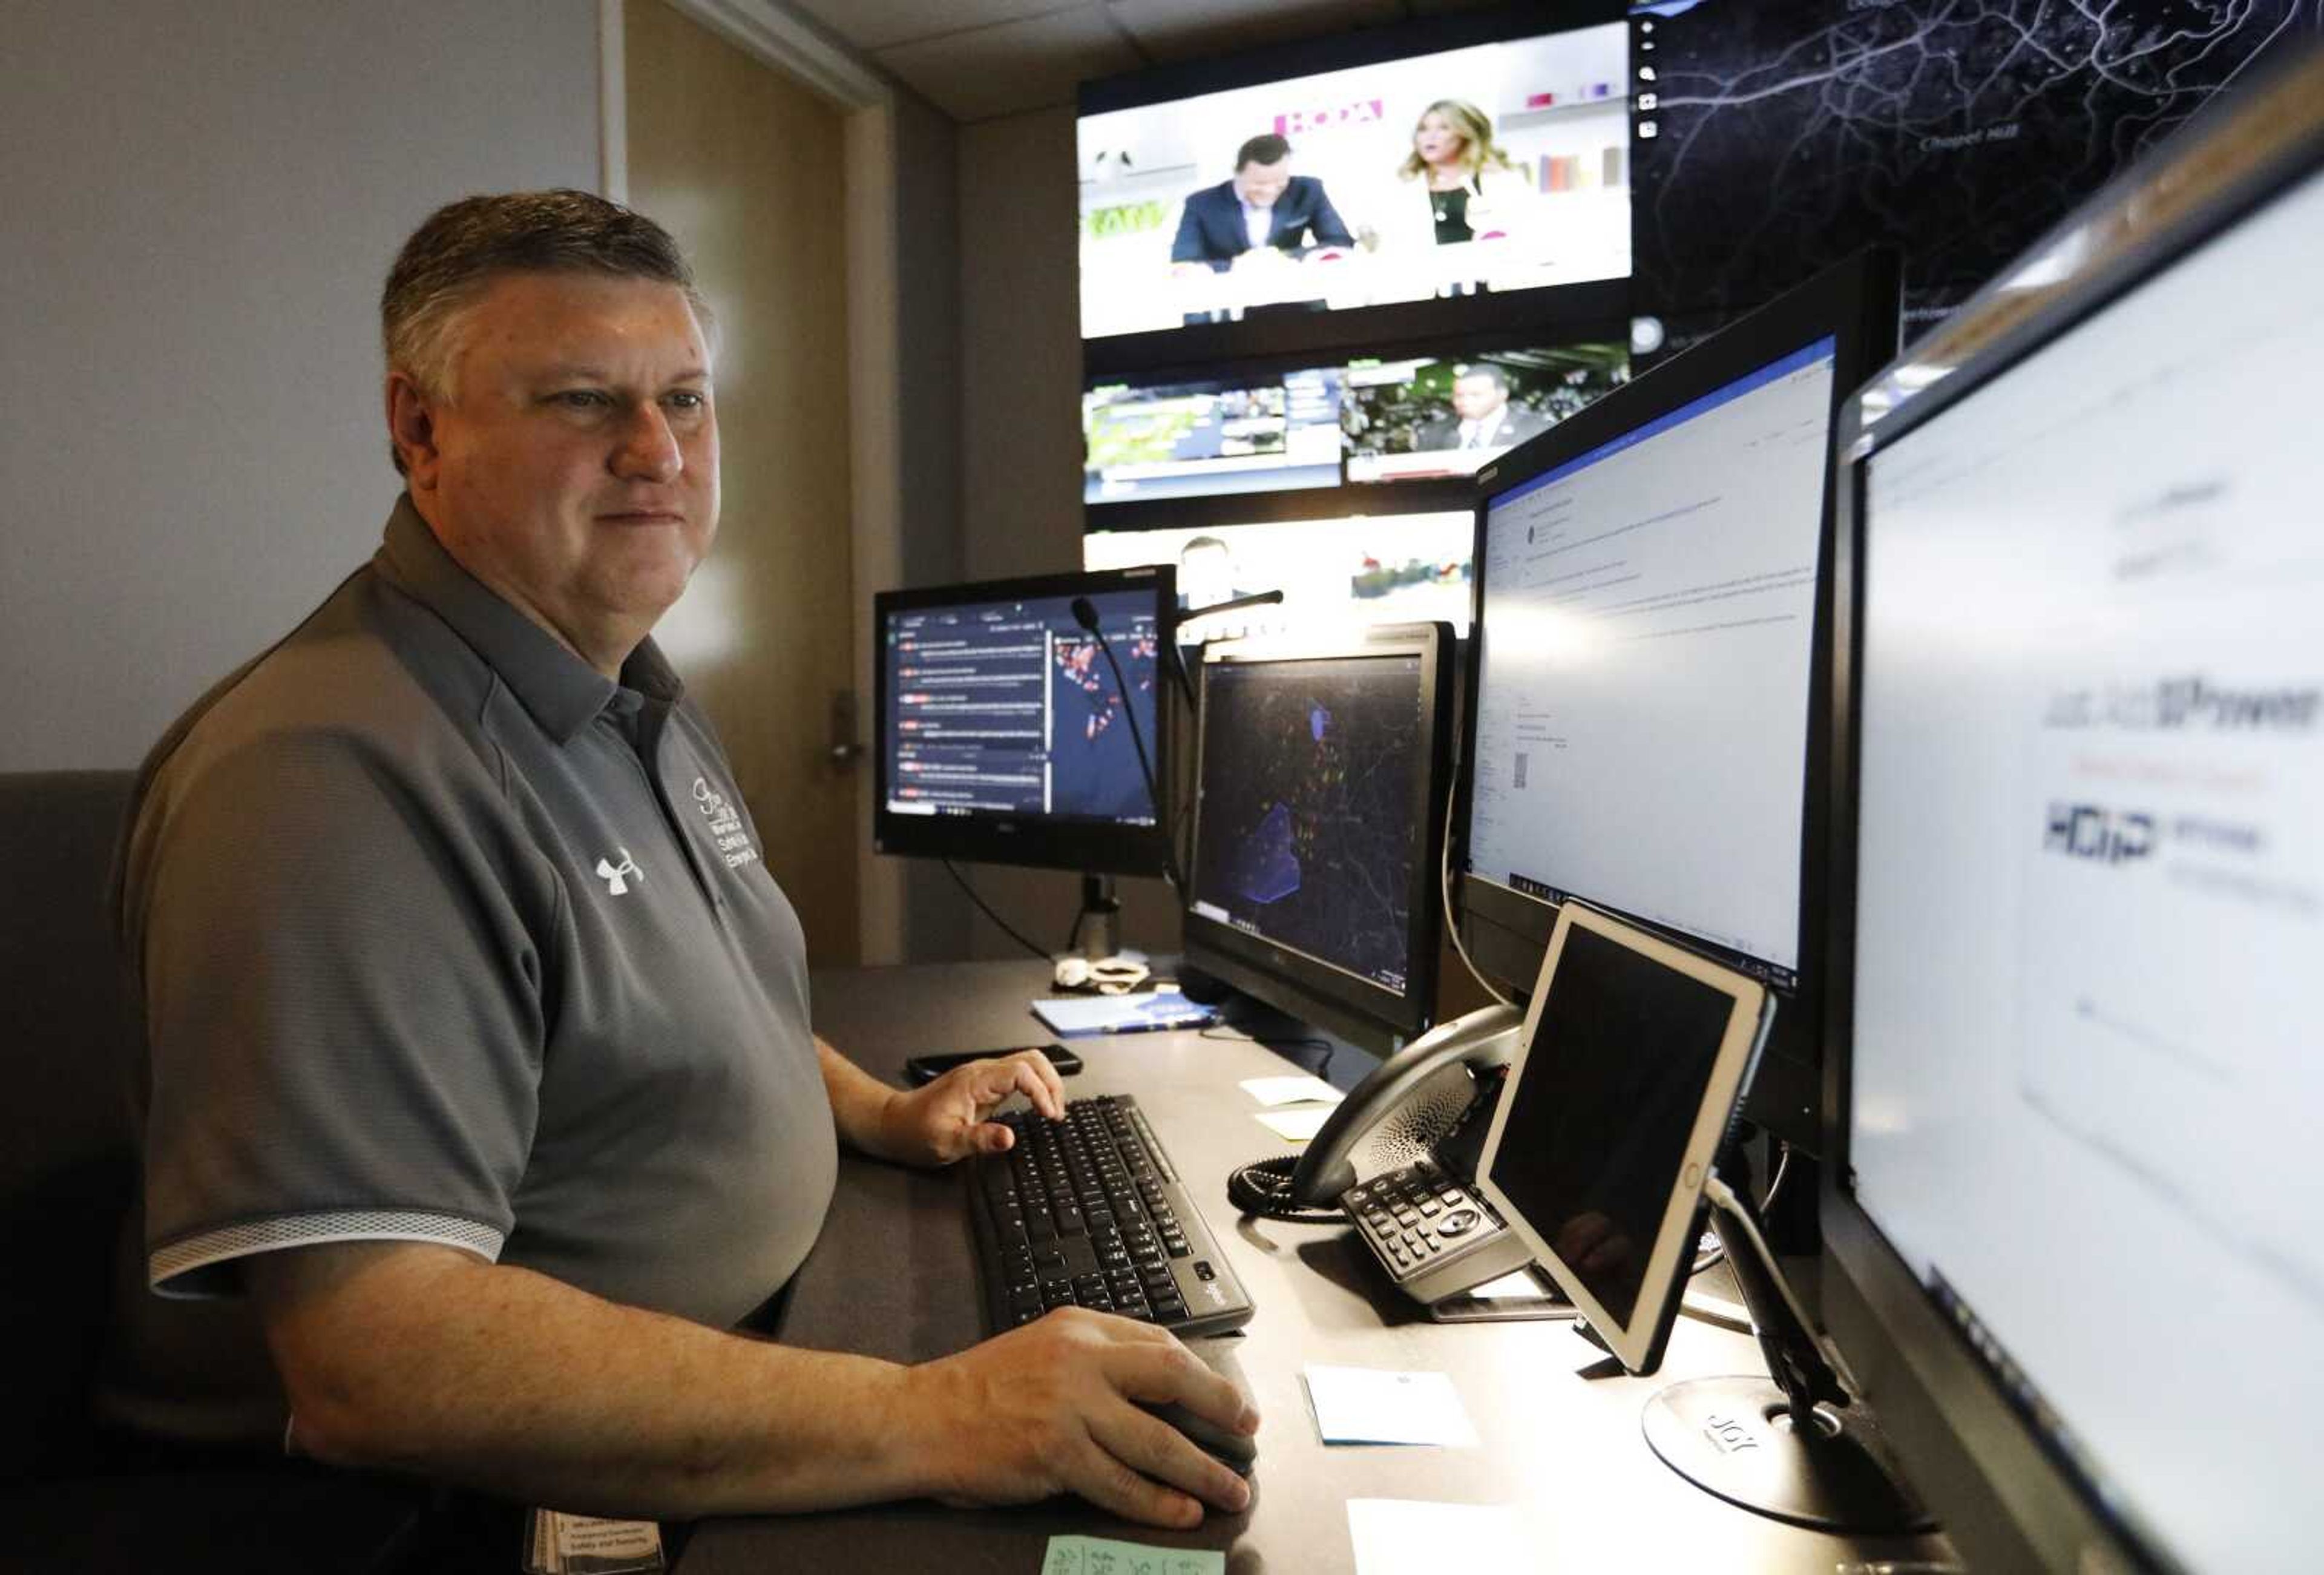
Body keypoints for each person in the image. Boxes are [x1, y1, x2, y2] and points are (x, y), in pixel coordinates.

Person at [113, 189, 1256, 1557]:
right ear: (419, 428)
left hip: (788, 1330)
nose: (656, 450)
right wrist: (943, 1413)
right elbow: (377, 1358)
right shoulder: (328, 777)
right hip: (480, 1505)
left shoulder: (626, 688)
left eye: (688, 400)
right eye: (585, 401)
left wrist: (882, 1111)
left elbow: (694, 997)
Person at [1169, 133, 1354, 272]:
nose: (1270, 190)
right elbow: (1184, 262)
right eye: (1259, 183)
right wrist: (1238, 266)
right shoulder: (1201, 204)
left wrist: (1284, 260)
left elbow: (1339, 241)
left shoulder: (1309, 190)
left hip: (1296, 295)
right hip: (1228, 302)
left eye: (1280, 181)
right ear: (1237, 173)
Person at [1394, 99, 1534, 247]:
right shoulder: (1403, 186)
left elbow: (1528, 235)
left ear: (1466, 133)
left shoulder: (1503, 180)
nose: (1430, 136)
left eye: (1443, 128)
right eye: (1423, 129)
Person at [1414, 364, 1547, 453]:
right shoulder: (1431, 434)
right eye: (1459, 395)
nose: (1464, 402)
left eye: (1475, 395)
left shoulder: (1537, 429)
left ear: (1502, 395)